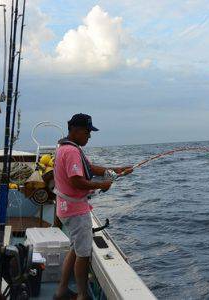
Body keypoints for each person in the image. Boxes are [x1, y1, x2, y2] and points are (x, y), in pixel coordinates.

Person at [53, 113, 132, 300]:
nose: (89, 136)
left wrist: (116, 170)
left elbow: (90, 167)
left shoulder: (66, 147)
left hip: (66, 208)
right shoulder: (72, 151)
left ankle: (61, 291)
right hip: (75, 211)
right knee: (83, 254)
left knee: (75, 249)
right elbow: (77, 181)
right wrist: (101, 184)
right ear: (77, 131)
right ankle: (82, 295)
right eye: (88, 132)